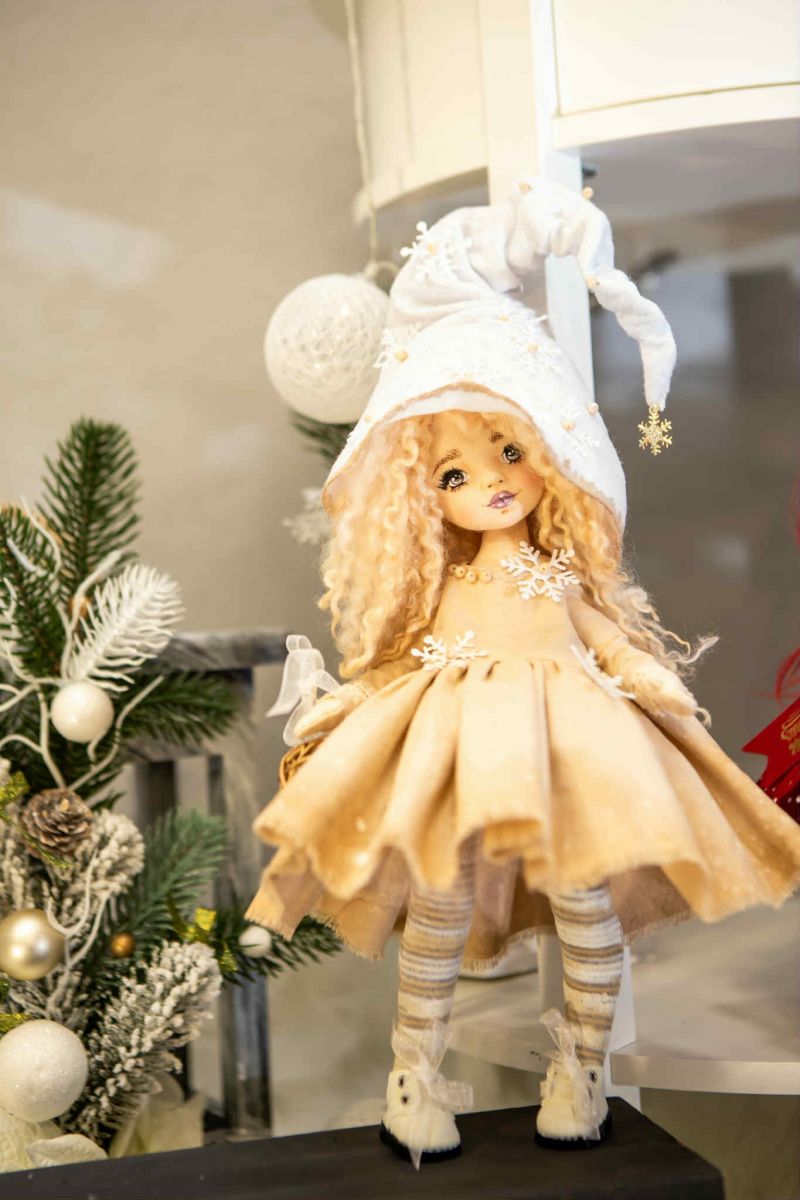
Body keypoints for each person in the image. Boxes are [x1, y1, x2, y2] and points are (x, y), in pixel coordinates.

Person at [247, 176, 800, 1168]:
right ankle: (414, 1074)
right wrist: (351, 706)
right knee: (441, 898)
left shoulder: (557, 575)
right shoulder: (446, 586)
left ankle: (580, 1064)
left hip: (567, 751)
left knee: (584, 898)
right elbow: (403, 663)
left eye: (509, 450)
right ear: (427, 499)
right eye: (454, 475)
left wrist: (653, 682)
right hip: (463, 754)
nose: (491, 482)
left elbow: (609, 642)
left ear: (548, 447)